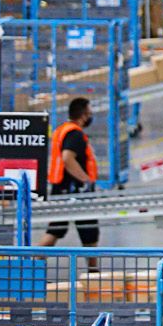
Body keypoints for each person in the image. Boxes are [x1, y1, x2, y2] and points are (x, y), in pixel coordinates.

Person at [40, 97, 101, 247]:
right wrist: (86, 180)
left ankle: (31, 264)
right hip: (75, 191)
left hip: (60, 188)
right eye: (89, 113)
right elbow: (67, 158)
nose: (90, 117)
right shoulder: (75, 134)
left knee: (54, 231)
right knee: (89, 234)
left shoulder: (62, 129)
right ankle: (93, 270)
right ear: (83, 115)